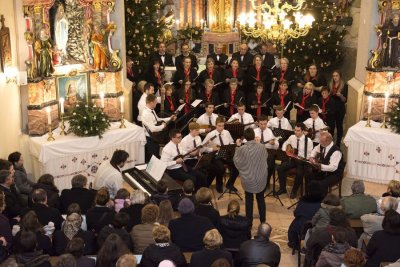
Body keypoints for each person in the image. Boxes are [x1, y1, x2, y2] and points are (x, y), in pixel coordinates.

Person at [234, 128, 269, 223]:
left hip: (248, 179)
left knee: (249, 200)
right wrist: (259, 143)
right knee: (260, 198)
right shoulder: (262, 146)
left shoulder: (241, 149)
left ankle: (248, 222)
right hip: (261, 177)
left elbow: (237, 162)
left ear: (245, 137)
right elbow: (265, 157)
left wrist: (237, 147)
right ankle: (263, 221)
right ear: (254, 136)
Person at [202, 117, 239, 193]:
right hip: (216, 155)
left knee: (237, 166)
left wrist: (235, 144)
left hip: (226, 154)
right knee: (221, 168)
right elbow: (202, 148)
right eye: (219, 126)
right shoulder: (210, 135)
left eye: (222, 125)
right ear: (215, 125)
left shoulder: (226, 132)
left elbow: (231, 142)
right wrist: (212, 149)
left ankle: (230, 184)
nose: (221, 128)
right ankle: (219, 185)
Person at [276, 123, 313, 198]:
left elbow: (310, 155)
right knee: (280, 168)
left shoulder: (308, 141)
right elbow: (284, 144)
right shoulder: (292, 137)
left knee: (299, 174)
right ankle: (282, 188)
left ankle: (294, 191)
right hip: (293, 160)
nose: (296, 132)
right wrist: (287, 151)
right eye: (295, 130)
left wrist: (301, 158)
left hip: (302, 162)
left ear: (303, 131)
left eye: (298, 131)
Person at [287, 181, 324, 249]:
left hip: (302, 226)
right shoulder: (323, 201)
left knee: (293, 227)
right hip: (318, 226)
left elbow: (296, 213)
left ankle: (294, 243)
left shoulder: (303, 200)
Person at [308, 132, 345, 197]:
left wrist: (319, 165)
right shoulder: (322, 144)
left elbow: (333, 168)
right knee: (309, 175)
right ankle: (311, 195)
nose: (319, 142)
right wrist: (311, 156)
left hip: (335, 174)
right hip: (324, 170)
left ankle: (322, 201)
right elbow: (315, 150)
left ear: (328, 141)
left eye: (321, 141)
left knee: (323, 184)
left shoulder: (336, 151)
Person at [142, 94, 176, 161]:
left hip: (155, 137)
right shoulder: (146, 114)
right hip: (151, 139)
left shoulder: (151, 110)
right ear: (151, 102)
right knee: (153, 158)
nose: (156, 104)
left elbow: (158, 119)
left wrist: (170, 118)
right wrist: (163, 126)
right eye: (155, 102)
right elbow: (153, 129)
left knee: (156, 156)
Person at [254, 115, 279, 188]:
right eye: (261, 124)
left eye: (265, 124)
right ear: (258, 123)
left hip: (267, 152)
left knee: (271, 164)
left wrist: (274, 143)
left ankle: (267, 181)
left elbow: (277, 145)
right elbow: (246, 141)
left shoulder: (270, 132)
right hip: (256, 152)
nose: (263, 126)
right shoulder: (254, 131)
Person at [328, 70, 348, 147]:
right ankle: (330, 143)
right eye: (333, 76)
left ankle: (338, 144)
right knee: (331, 126)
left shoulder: (344, 85)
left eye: (336, 76)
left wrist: (340, 95)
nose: (335, 77)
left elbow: (345, 100)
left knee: (339, 126)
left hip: (340, 108)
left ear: (340, 76)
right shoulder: (330, 85)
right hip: (332, 108)